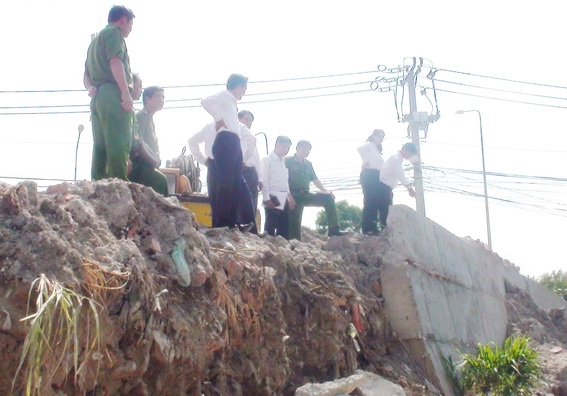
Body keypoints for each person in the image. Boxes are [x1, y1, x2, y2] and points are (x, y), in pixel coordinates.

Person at [83, 5, 136, 181]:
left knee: (100, 146)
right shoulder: (114, 33)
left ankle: (97, 183)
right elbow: (115, 62)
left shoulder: (94, 42)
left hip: (98, 96)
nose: (130, 29)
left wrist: (90, 88)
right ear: (123, 20)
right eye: (130, 24)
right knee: (118, 142)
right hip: (112, 93)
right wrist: (125, 93)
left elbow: (86, 75)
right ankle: (119, 183)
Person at [201, 74, 255, 232]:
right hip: (225, 141)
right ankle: (222, 223)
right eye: (244, 88)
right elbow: (206, 101)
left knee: (235, 184)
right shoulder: (225, 95)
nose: (244, 92)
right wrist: (218, 118)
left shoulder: (232, 102)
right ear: (238, 86)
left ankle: (232, 222)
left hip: (234, 142)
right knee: (225, 184)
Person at [285, 140, 346, 240]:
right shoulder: (288, 161)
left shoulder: (308, 164)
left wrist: (325, 191)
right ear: (297, 148)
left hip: (306, 194)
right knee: (295, 224)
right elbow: (283, 179)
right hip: (294, 195)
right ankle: (294, 244)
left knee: (328, 199)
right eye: (303, 148)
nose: (305, 151)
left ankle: (334, 229)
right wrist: (289, 196)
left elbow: (315, 180)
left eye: (308, 149)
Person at [129, 86, 168, 196]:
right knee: (160, 180)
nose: (161, 100)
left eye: (163, 97)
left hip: (148, 165)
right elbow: (139, 143)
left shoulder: (149, 118)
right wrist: (154, 159)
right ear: (147, 99)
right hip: (141, 166)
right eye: (157, 97)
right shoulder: (142, 116)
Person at [259, 136, 296, 239]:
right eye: (284, 147)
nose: (285, 150)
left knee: (284, 228)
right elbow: (264, 180)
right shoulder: (267, 160)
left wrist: (290, 197)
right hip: (273, 195)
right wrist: (266, 198)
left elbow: (285, 182)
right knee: (270, 227)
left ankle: (284, 250)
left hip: (284, 196)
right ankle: (268, 249)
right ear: (277, 144)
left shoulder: (283, 162)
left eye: (287, 148)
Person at [377, 142, 418, 230]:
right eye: (410, 154)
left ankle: (384, 229)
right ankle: (384, 230)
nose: (409, 157)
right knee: (386, 211)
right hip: (384, 186)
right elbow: (401, 175)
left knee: (385, 211)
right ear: (405, 150)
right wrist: (409, 188)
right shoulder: (395, 159)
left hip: (386, 187)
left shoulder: (396, 158)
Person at [357, 129, 385, 235]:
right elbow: (360, 149)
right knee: (369, 201)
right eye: (379, 136)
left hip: (376, 176)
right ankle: (367, 228)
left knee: (375, 202)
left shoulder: (376, 149)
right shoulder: (369, 145)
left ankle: (373, 227)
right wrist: (366, 160)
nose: (380, 139)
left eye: (382, 137)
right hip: (369, 174)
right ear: (373, 135)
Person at [188, 122, 218, 219]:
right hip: (215, 166)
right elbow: (192, 141)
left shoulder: (238, 128)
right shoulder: (210, 127)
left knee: (233, 200)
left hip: (234, 166)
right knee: (215, 201)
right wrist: (202, 160)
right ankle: (218, 228)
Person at [238, 110, 261, 232]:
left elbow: (256, 159)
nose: (248, 123)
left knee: (253, 201)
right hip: (242, 170)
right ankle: (241, 227)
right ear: (239, 120)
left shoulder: (251, 138)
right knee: (242, 201)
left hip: (252, 172)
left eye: (250, 121)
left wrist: (260, 177)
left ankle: (253, 231)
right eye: (246, 119)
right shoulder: (236, 135)